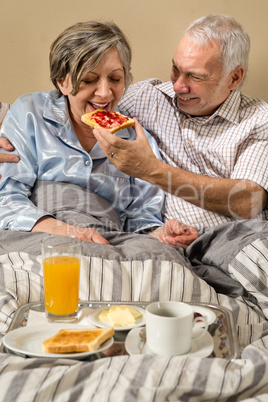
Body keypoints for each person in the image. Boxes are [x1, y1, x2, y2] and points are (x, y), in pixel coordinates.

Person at [0, 21, 198, 247]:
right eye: (89, 80)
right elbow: (6, 196)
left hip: (108, 244)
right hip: (37, 238)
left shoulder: (137, 140)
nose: (104, 94)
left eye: (115, 79)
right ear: (62, 82)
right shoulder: (29, 114)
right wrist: (63, 230)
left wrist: (163, 234)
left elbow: (141, 223)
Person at [92, 14, 268, 229]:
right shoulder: (145, 97)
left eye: (196, 76)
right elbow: (77, 108)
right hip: (166, 242)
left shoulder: (260, 119)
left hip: (238, 239)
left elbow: (247, 201)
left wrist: (150, 169)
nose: (178, 86)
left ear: (234, 77)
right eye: (176, 69)